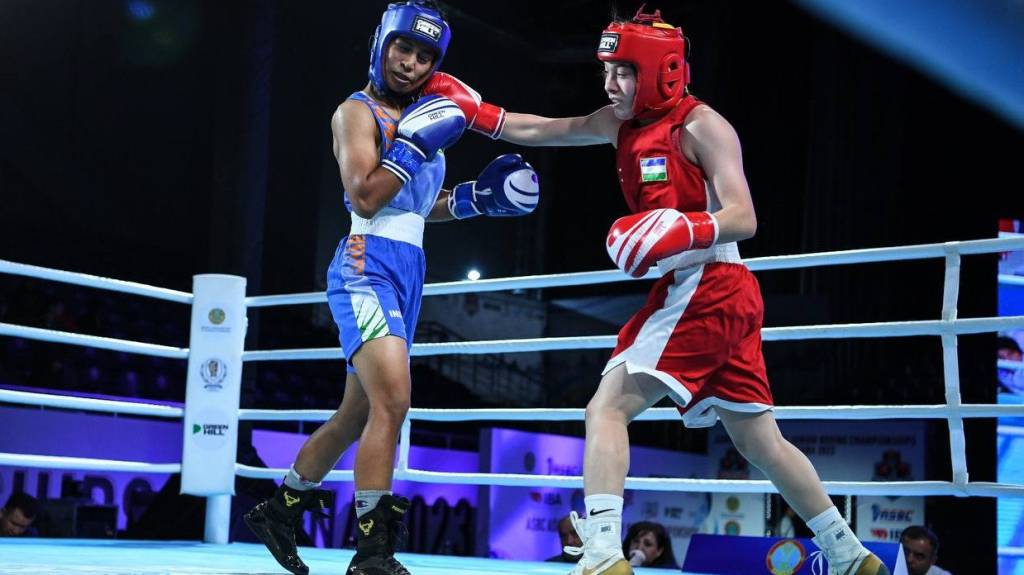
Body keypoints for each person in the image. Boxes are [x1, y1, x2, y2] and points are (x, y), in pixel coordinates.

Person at [424, 7, 887, 575]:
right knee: (758, 442)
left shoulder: (703, 127)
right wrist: (476, 114)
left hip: (708, 282)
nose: (610, 83)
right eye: (606, 71)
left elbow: (744, 216)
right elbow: (547, 129)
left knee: (607, 408)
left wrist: (685, 227)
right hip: (710, 291)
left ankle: (602, 553)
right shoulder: (617, 122)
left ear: (661, 72)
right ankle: (849, 554)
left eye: (623, 72)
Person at [243, 3, 538, 575]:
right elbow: (366, 194)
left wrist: (476, 200)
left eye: (424, 57)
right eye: (403, 48)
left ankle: (279, 511)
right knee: (394, 401)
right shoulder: (355, 113)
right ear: (382, 44)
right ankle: (372, 553)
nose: (410, 64)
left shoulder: (426, 118)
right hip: (366, 263)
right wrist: (414, 145)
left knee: (356, 413)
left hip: (409, 266)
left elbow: (418, 205)